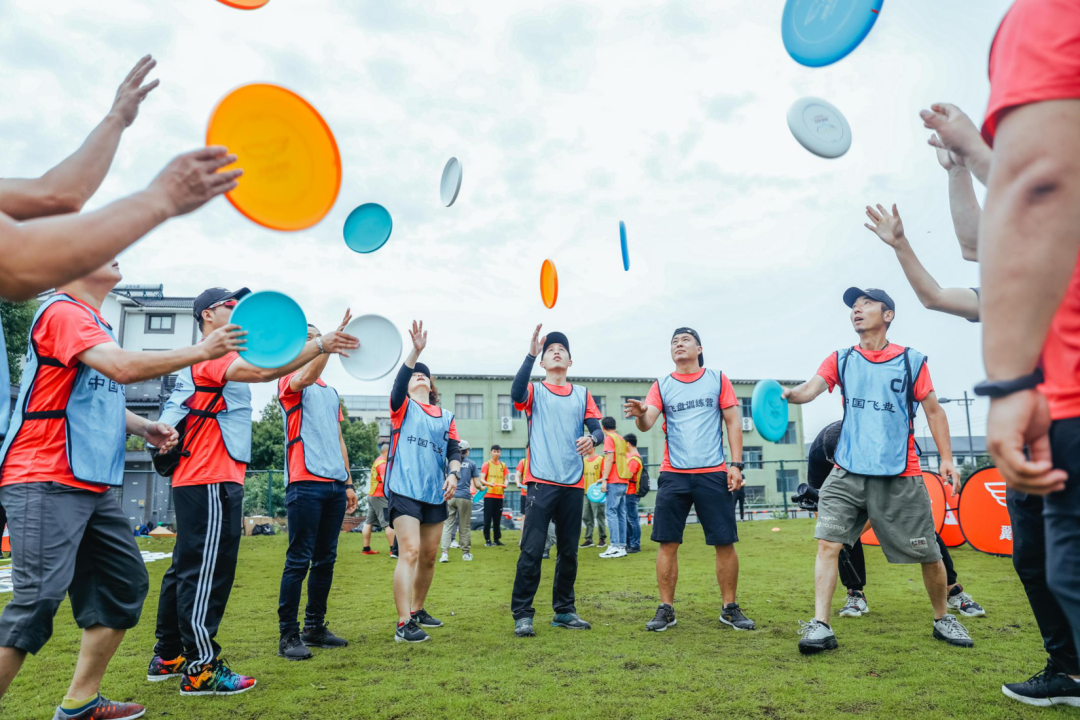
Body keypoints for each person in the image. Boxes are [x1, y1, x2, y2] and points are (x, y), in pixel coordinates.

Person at [0, 259, 245, 719]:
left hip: (89, 483)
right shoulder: (62, 311)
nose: (114, 250)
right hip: (43, 476)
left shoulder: (96, 321)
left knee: (123, 584)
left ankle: (79, 703)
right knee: (35, 604)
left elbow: (94, 395)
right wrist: (203, 350)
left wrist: (143, 426)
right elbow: (123, 369)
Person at [924, 2, 1080, 703]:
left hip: (1058, 402)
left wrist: (1012, 382)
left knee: (1069, 568)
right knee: (1041, 561)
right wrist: (961, 164)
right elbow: (977, 239)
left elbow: (1040, 182)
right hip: (1048, 410)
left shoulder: (1048, 18)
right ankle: (1066, 669)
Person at [147, 289, 357, 695]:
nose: (239, 311)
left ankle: (169, 654)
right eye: (231, 305)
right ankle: (202, 668)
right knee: (208, 572)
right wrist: (319, 343)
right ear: (208, 314)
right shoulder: (213, 353)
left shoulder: (207, 356)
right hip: (209, 475)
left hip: (205, 475)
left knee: (185, 568)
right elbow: (263, 371)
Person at [781, 288, 971, 654]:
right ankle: (820, 625)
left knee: (928, 553)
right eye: (854, 306)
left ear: (889, 315)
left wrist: (947, 458)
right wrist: (790, 394)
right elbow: (811, 390)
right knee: (827, 543)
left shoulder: (911, 360)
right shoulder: (841, 359)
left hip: (899, 472)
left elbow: (934, 411)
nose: (857, 309)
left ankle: (942, 617)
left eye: (866, 304)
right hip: (848, 471)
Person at [624, 328, 753, 634]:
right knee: (668, 543)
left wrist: (735, 465)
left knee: (724, 541)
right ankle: (666, 609)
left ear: (699, 348)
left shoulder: (717, 379)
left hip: (713, 472)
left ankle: (729, 608)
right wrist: (641, 413)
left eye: (685, 340)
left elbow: (733, 421)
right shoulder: (662, 384)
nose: (679, 344)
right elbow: (646, 424)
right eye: (674, 342)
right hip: (674, 474)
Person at [805, 421, 985, 620]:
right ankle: (855, 595)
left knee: (923, 533)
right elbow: (820, 511)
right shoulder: (819, 454)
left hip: (889, 480)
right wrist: (839, 532)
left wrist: (850, 533)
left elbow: (880, 508)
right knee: (835, 537)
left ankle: (953, 591)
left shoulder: (883, 446)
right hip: (848, 490)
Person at [510, 326, 603, 637]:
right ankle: (523, 614)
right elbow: (515, 394)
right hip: (540, 482)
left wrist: (593, 439)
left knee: (569, 551)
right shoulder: (535, 391)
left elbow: (597, 430)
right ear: (543, 361)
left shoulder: (582, 394)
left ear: (570, 362)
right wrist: (529, 353)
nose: (556, 351)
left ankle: (564, 610)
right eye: (550, 350)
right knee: (532, 550)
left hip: (573, 484)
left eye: (561, 348)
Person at [276, 319, 359, 661]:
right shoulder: (289, 378)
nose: (317, 342)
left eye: (318, 337)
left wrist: (349, 481)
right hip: (304, 481)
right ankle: (288, 636)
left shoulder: (330, 391)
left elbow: (338, 438)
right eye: (310, 339)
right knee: (299, 560)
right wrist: (327, 344)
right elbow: (305, 375)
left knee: (326, 559)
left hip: (334, 485)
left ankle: (314, 627)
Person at [385, 321, 461, 644]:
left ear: (432, 385)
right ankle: (403, 625)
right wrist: (415, 352)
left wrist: (454, 472)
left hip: (434, 493)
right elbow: (399, 382)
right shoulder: (401, 407)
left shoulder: (445, 417)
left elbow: (454, 449)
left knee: (430, 556)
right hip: (403, 488)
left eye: (423, 373)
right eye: (416, 372)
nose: (419, 375)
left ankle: (416, 611)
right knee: (411, 551)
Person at [598, 417, 632, 558]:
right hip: (623, 479)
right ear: (615, 425)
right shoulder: (621, 439)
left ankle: (614, 546)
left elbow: (609, 459)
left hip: (614, 480)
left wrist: (605, 479)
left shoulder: (609, 438)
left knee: (611, 513)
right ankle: (621, 546)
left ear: (603, 428)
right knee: (621, 514)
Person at [440, 441, 476, 563]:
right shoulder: (471, 464)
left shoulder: (448, 464)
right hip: (465, 497)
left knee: (447, 525)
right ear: (466, 451)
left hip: (450, 495)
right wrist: (483, 488)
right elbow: (477, 484)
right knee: (464, 525)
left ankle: (444, 553)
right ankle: (465, 553)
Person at [363, 444, 394, 555]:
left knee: (369, 522)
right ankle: (393, 549)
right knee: (388, 523)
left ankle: (366, 549)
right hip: (380, 496)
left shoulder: (377, 461)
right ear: (386, 451)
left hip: (372, 495)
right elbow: (385, 480)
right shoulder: (383, 464)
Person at [480, 446, 509, 546]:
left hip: (499, 496)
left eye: (498, 451)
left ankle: (497, 539)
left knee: (497, 519)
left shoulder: (503, 465)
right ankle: (487, 540)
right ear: (491, 452)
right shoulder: (486, 464)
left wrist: (506, 483)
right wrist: (488, 484)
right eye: (494, 451)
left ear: (500, 453)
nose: (496, 453)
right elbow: (482, 479)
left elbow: (506, 479)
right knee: (487, 519)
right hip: (489, 495)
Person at [580, 448, 607, 548]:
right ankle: (589, 539)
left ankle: (602, 538)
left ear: (594, 447)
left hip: (597, 493)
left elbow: (604, 474)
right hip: (586, 492)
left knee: (599, 515)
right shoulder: (584, 461)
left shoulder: (600, 459)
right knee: (586, 516)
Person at [624, 434, 644, 554]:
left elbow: (629, 475)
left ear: (627, 443)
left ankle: (635, 544)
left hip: (631, 492)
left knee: (632, 519)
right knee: (630, 519)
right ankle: (631, 543)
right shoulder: (634, 457)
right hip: (629, 492)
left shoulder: (633, 459)